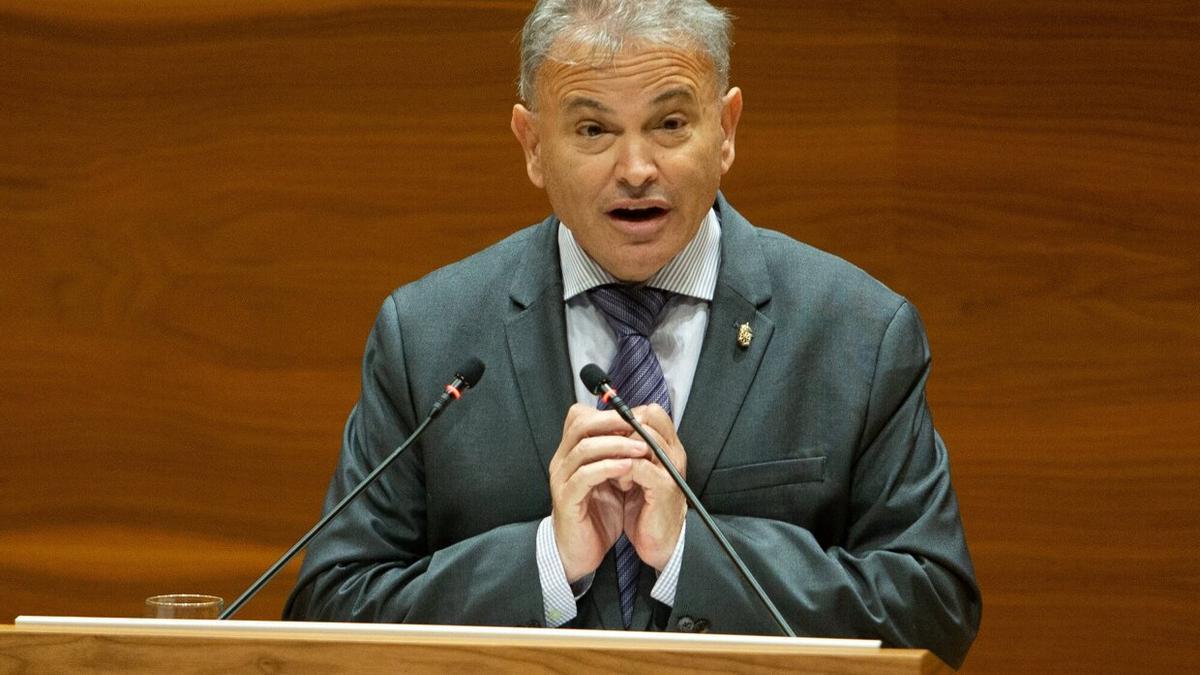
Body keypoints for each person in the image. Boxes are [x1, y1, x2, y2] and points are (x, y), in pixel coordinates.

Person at [285, 0, 981, 668]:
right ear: (532, 145)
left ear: (728, 128)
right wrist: (545, 561)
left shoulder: (856, 332)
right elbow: (328, 610)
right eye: (593, 131)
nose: (637, 168)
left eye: (671, 122)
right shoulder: (429, 334)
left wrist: (692, 551)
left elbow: (933, 608)